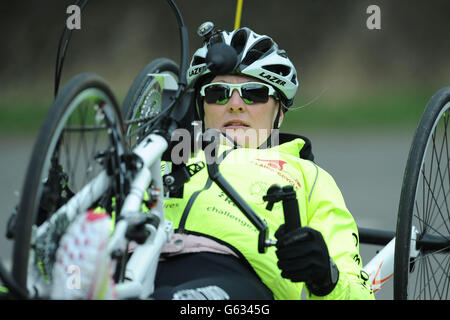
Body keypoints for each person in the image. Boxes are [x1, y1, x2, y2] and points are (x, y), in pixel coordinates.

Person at [51, 26, 375, 300]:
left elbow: (359, 291)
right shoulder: (162, 158)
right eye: (218, 93)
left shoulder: (309, 176)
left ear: (280, 111)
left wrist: (325, 276)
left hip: (236, 276)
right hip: (131, 265)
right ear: (200, 106)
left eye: (255, 93)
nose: (235, 105)